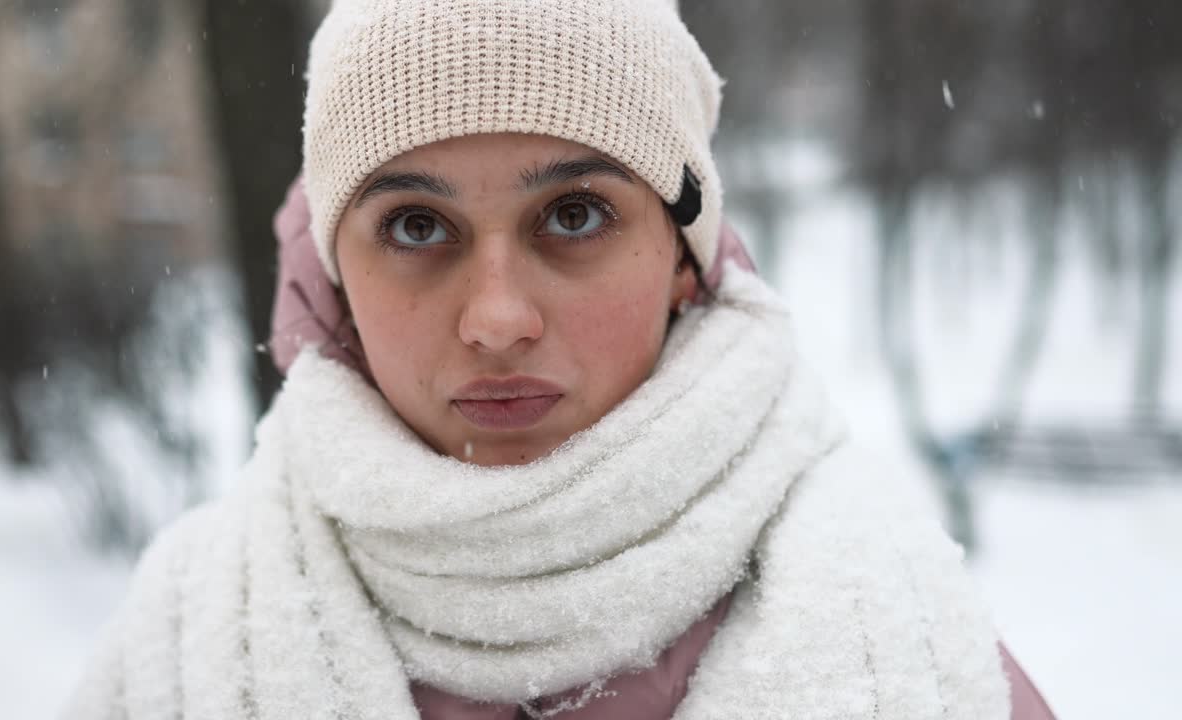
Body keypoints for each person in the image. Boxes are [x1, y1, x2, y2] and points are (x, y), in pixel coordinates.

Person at [66, 1, 1056, 718]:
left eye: (574, 215)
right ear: (339, 279)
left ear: (683, 258)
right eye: (415, 226)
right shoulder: (182, 644)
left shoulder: (903, 635)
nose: (496, 320)